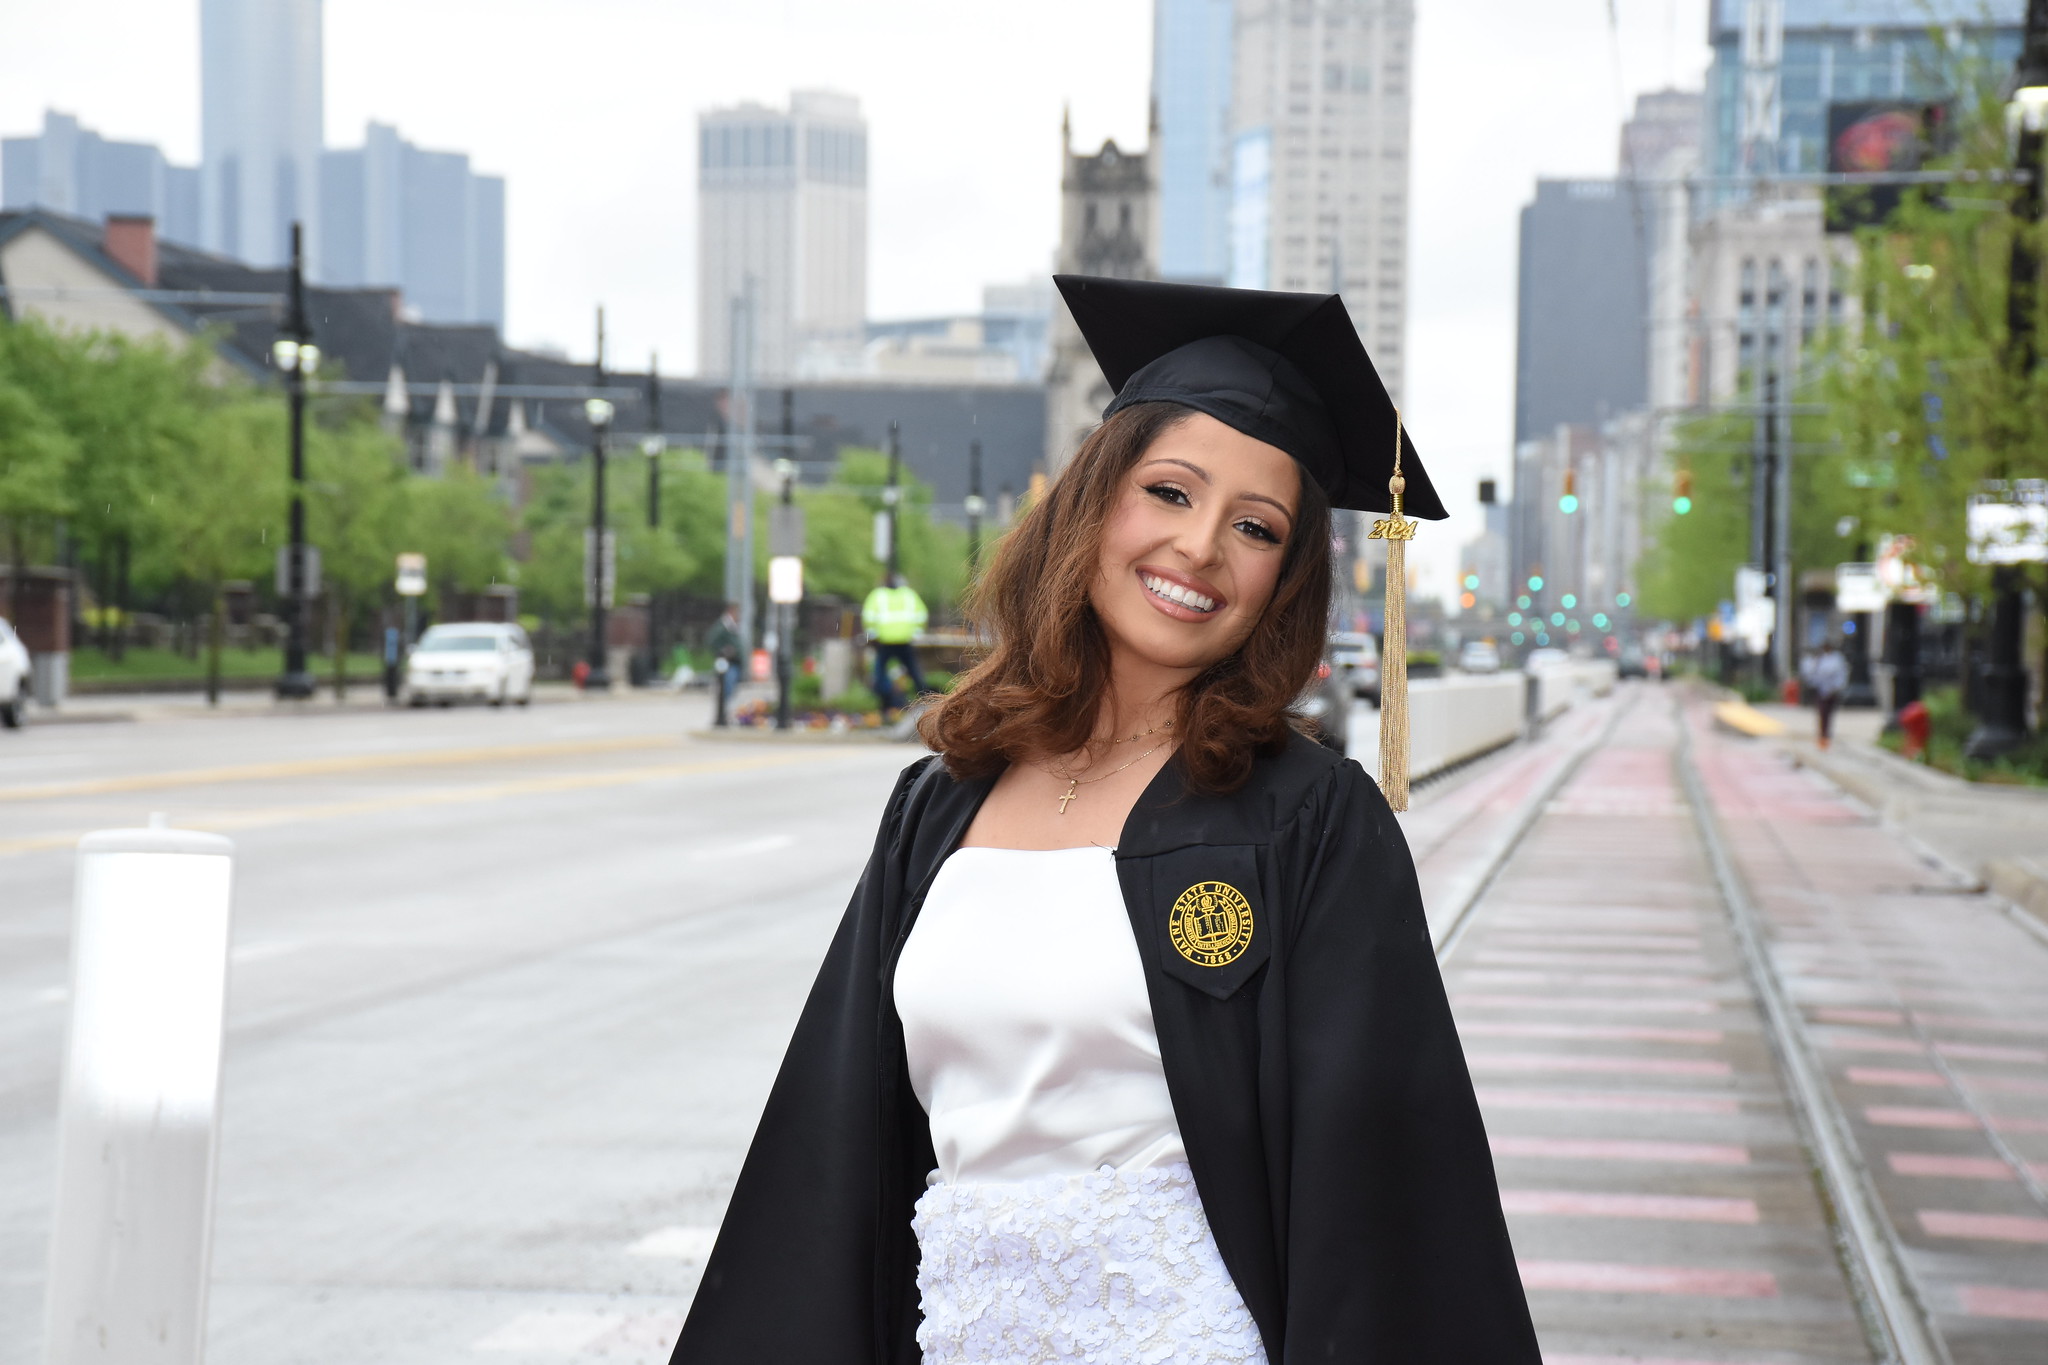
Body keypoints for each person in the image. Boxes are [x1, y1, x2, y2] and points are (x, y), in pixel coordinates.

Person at [671, 277, 1538, 1364]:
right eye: (1168, 493)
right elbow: (835, 1150)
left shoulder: (1308, 824)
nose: (1199, 549)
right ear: (1094, 500)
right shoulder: (941, 803)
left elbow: (1380, 1195)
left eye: (1255, 526)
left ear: (1284, 577)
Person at [862, 572, 929, 711]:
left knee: (880, 671)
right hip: (905, 640)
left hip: (884, 641)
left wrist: (872, 634)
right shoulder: (909, 595)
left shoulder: (877, 595)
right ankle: (925, 699)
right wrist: (917, 633)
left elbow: (868, 616)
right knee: (914, 670)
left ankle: (886, 699)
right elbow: (922, 614)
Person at [705, 603, 743, 720]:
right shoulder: (723, 626)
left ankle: (724, 713)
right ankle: (722, 714)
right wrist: (723, 650)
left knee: (731, 689)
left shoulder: (731, 626)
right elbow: (711, 640)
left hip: (735, 663)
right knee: (727, 688)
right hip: (728, 663)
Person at [1810, 636, 1849, 749]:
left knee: (1829, 714)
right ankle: (1822, 735)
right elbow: (1814, 673)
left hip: (1833, 690)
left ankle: (1827, 735)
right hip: (1821, 690)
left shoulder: (1837, 659)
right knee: (1822, 713)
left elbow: (1841, 674)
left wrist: (1837, 687)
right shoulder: (1819, 658)